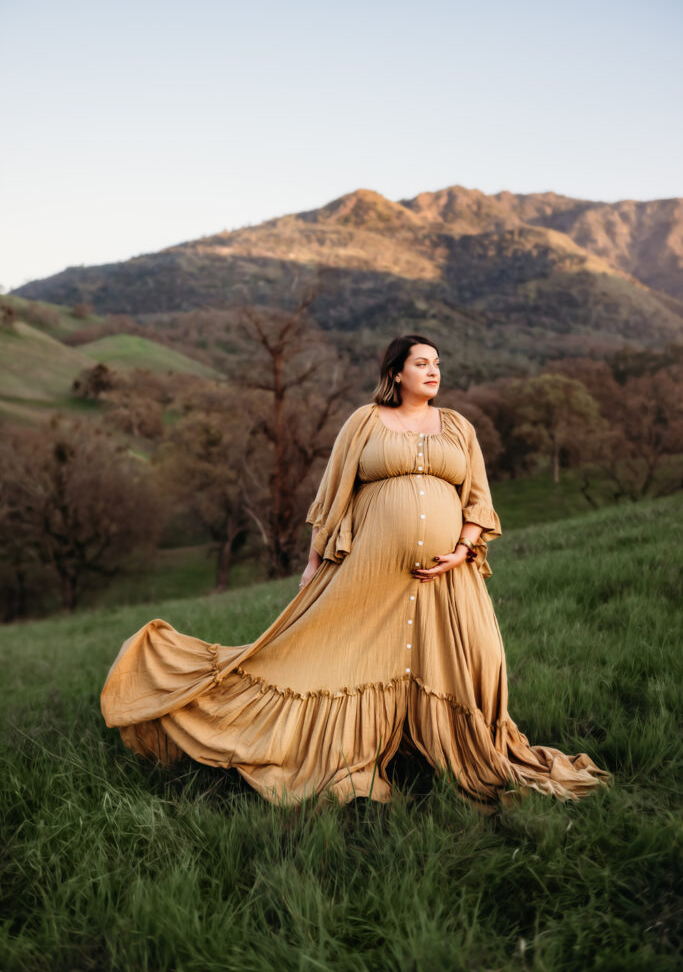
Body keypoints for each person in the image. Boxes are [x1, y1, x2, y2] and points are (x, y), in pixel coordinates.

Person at [101, 334, 611, 808]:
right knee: (331, 660)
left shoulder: (459, 427)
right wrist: (313, 564)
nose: (434, 371)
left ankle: (439, 750)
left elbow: (478, 500)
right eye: (421, 363)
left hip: (449, 579)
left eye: (437, 364)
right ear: (396, 372)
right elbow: (332, 498)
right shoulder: (365, 421)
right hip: (370, 574)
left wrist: (462, 548)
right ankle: (338, 758)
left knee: (479, 662)